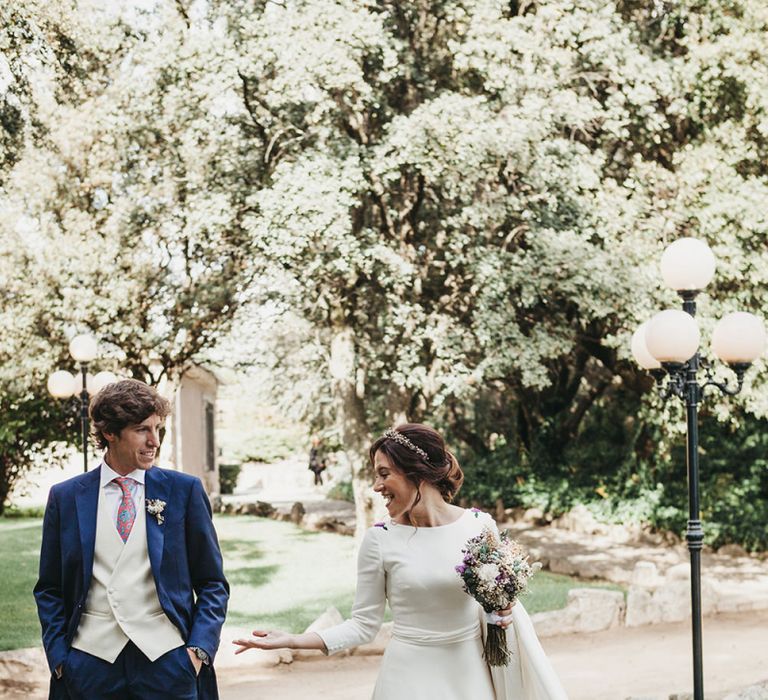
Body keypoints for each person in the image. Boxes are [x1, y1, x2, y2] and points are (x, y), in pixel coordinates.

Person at [233, 423, 566, 699]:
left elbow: (498, 607)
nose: (376, 486)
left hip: (470, 675)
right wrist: (292, 640)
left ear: (418, 473)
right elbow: (363, 625)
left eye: (384, 474)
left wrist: (502, 613)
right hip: (407, 678)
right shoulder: (379, 540)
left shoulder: (480, 526)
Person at [34, 378, 229, 700]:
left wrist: (198, 652)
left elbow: (212, 583)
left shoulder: (184, 491)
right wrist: (60, 659)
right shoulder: (66, 497)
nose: (154, 441)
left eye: (157, 429)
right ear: (109, 432)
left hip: (169, 662)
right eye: (142, 430)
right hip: (88, 665)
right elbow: (50, 588)